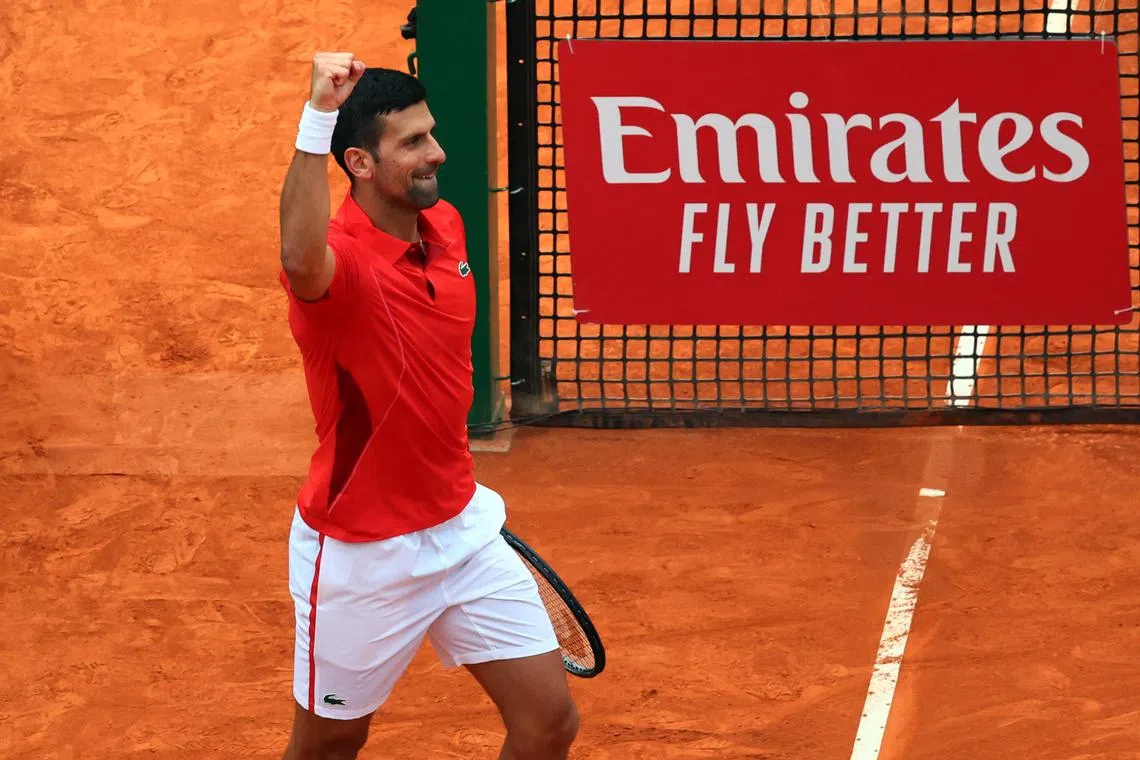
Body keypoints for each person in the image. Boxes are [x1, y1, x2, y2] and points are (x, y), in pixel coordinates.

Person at [276, 52, 579, 760]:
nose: (436, 152)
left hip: (461, 528)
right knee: (330, 746)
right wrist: (317, 114)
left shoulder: (445, 225)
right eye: (412, 142)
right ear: (358, 163)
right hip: (360, 553)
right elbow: (298, 257)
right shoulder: (340, 270)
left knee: (549, 723)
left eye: (430, 133)